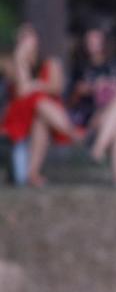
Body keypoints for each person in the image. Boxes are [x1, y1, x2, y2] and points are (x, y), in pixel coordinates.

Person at [1, 24, 84, 188]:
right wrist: (20, 60)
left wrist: (36, 85)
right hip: (20, 115)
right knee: (38, 101)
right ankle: (72, 133)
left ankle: (32, 173)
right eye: (23, 38)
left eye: (29, 37)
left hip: (46, 114)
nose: (27, 42)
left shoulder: (50, 61)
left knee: (40, 112)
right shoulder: (10, 63)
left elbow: (56, 87)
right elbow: (22, 91)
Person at [68, 26, 116, 188]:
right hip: (90, 118)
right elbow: (72, 97)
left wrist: (111, 87)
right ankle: (115, 170)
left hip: (111, 117)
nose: (92, 44)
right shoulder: (80, 66)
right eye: (89, 41)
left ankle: (107, 160)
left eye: (96, 40)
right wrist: (91, 88)